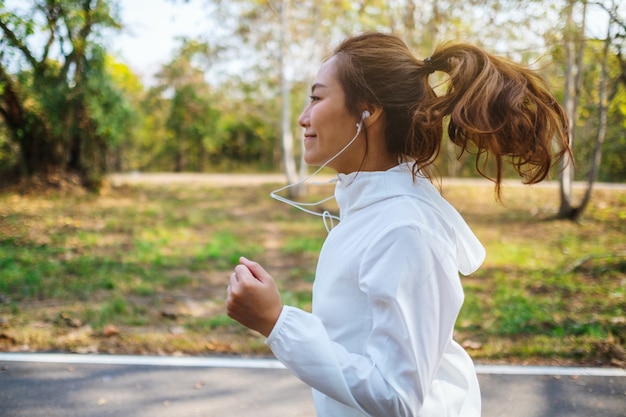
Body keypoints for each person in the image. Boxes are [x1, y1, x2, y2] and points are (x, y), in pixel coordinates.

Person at [226, 31, 570, 417]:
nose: (304, 117)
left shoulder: (405, 229)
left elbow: (398, 396)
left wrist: (277, 323)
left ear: (367, 113)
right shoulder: (372, 212)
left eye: (317, 98)